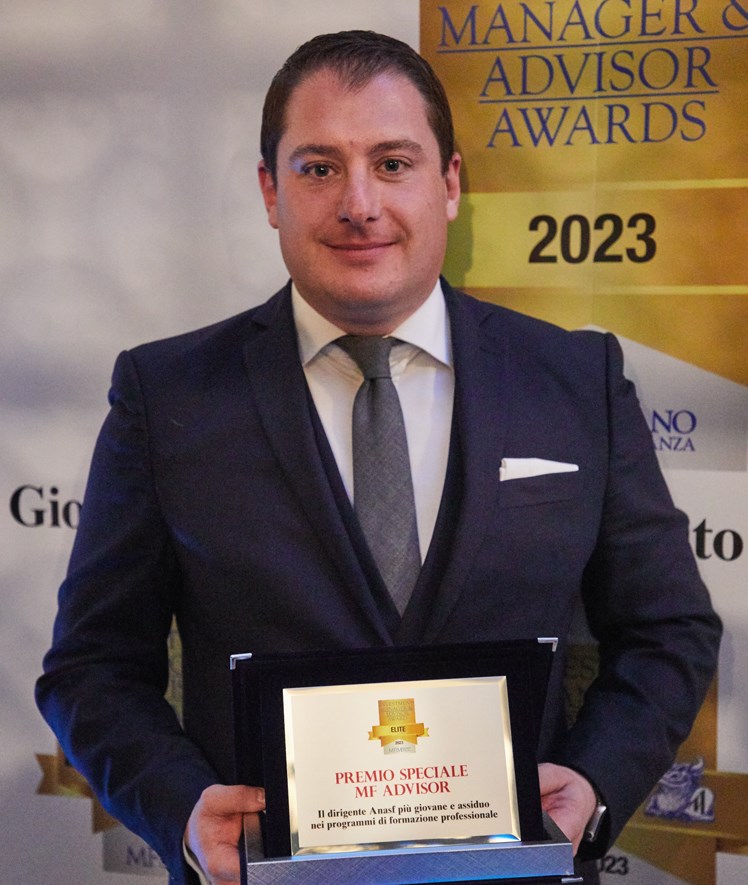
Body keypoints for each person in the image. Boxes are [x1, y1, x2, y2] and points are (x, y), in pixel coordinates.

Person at [36, 30, 721, 885]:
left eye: (393, 163)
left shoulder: (577, 380)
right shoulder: (166, 394)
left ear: (451, 183)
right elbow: (92, 666)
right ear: (270, 191)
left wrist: (593, 780)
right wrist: (180, 807)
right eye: (319, 167)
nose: (358, 203)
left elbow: (669, 630)